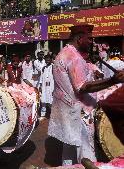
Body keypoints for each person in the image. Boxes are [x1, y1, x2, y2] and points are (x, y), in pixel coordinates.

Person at [48, 25, 124, 166]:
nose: (91, 42)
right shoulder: (73, 57)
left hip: (68, 114)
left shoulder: (63, 54)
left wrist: (90, 71)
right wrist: (113, 80)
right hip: (79, 116)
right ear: (79, 38)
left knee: (69, 155)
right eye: (89, 39)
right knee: (86, 156)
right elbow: (82, 87)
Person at [39, 54, 54, 120]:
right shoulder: (44, 68)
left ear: (51, 60)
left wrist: (55, 88)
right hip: (45, 86)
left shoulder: (53, 67)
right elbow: (41, 77)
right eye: (46, 60)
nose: (47, 61)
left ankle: (52, 114)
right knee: (44, 100)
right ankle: (44, 113)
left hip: (51, 86)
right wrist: (40, 85)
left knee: (51, 100)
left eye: (49, 59)